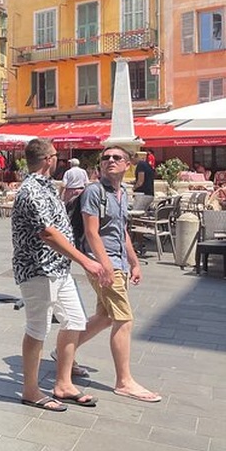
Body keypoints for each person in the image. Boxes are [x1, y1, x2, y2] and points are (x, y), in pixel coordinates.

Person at [11, 138, 108, 412]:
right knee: (37, 328)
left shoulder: (46, 187)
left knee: (75, 320)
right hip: (38, 269)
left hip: (58, 269)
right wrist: (85, 261)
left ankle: (63, 384)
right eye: (56, 155)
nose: (59, 159)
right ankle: (30, 390)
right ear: (47, 160)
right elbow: (48, 233)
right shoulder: (31, 190)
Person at [75, 146, 161, 403]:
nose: (110, 160)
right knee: (124, 319)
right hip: (103, 263)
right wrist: (106, 265)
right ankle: (124, 382)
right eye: (106, 158)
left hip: (119, 262)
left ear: (128, 165)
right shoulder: (94, 191)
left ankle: (64, 351)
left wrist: (134, 262)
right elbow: (92, 232)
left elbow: (120, 231)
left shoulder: (121, 193)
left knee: (104, 317)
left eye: (117, 158)